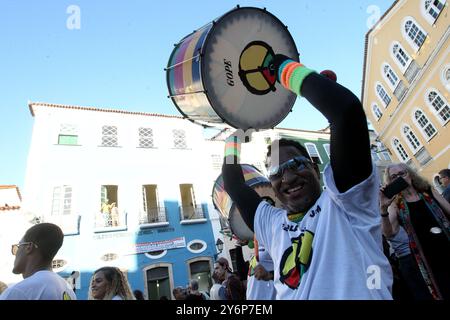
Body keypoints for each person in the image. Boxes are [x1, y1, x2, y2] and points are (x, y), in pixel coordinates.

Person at [222, 54, 393, 299]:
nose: (288, 177)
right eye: (275, 172)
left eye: (295, 164)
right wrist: (235, 136)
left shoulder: (347, 203)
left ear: (314, 166)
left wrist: (280, 66)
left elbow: (345, 112)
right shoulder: (271, 224)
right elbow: (234, 184)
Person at [380, 163, 450, 300]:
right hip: (427, 257)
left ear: (410, 174)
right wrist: (383, 209)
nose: (399, 178)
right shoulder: (396, 203)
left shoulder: (427, 190)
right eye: (394, 177)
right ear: (390, 182)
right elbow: (389, 233)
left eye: (402, 173)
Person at [0, 223, 76, 300]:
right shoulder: (69, 292)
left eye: (18, 247)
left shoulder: (18, 292)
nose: (15, 254)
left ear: (28, 247)